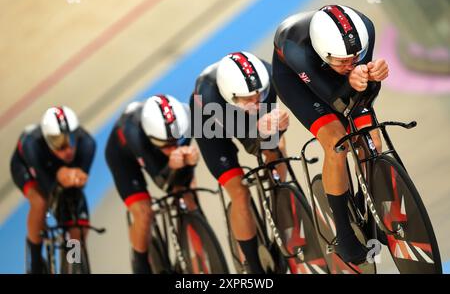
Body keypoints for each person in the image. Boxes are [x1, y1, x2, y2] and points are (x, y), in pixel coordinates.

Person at [272, 5, 389, 264]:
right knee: (337, 144)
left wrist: (373, 76)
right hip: (297, 80)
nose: (351, 64)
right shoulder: (296, 49)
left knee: (372, 138)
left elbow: (365, 93)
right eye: (343, 61)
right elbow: (335, 102)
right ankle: (344, 235)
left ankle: (367, 199)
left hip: (332, 77)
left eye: (355, 57)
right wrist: (352, 80)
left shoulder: (364, 29)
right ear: (325, 54)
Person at [190, 51, 290, 273]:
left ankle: (278, 196)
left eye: (259, 95)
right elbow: (251, 143)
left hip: (242, 110)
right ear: (232, 95)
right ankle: (253, 267)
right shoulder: (208, 94)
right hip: (211, 124)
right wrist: (262, 131)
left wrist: (277, 127)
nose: (256, 102)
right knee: (239, 193)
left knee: (276, 150)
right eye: (249, 99)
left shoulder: (267, 78)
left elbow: (269, 135)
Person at [105, 95, 199, 274]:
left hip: (155, 145)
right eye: (166, 145)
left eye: (175, 142)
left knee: (188, 194)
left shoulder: (187, 118)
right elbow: (162, 183)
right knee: (144, 212)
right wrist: (172, 165)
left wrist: (190, 162)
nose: (172, 148)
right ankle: (141, 264)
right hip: (124, 156)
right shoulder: (134, 132)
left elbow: (183, 176)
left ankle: (200, 255)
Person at [10, 106, 96, 273]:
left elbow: (78, 187)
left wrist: (76, 180)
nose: (69, 150)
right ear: (47, 140)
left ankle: (73, 262)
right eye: (60, 145)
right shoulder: (32, 145)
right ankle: (35, 259)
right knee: (40, 202)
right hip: (30, 169)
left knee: (78, 227)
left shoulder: (88, 144)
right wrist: (59, 175)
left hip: (59, 173)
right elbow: (48, 187)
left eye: (72, 141)